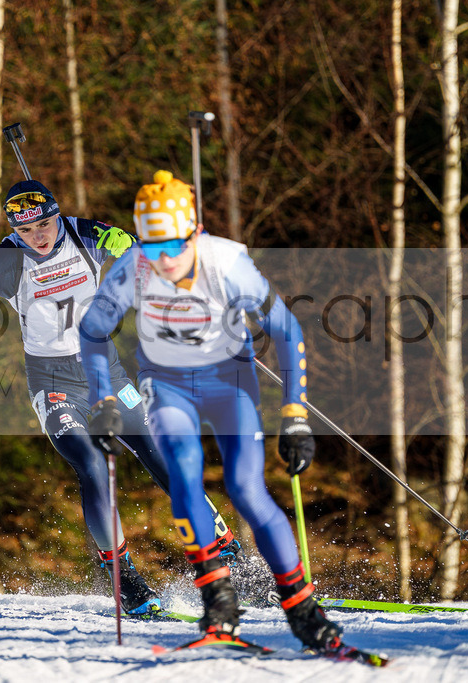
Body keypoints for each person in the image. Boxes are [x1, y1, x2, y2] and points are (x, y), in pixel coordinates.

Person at [0, 178, 238, 615]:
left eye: (44, 224)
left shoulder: (85, 234)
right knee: (91, 464)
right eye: (27, 230)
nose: (38, 236)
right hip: (53, 384)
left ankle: (219, 548)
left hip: (105, 373)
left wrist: (130, 244)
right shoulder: (5, 260)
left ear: (56, 214)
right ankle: (124, 579)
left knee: (161, 454)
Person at [79, 170, 345, 651]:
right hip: (167, 383)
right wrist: (102, 400)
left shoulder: (227, 261)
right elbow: (93, 331)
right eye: (152, 248)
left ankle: (304, 610)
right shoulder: (134, 265)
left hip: (229, 381)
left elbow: (286, 330)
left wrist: (295, 413)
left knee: (245, 487)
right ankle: (219, 608)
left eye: (173, 248)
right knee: (182, 474)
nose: (163, 261)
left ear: (194, 233)